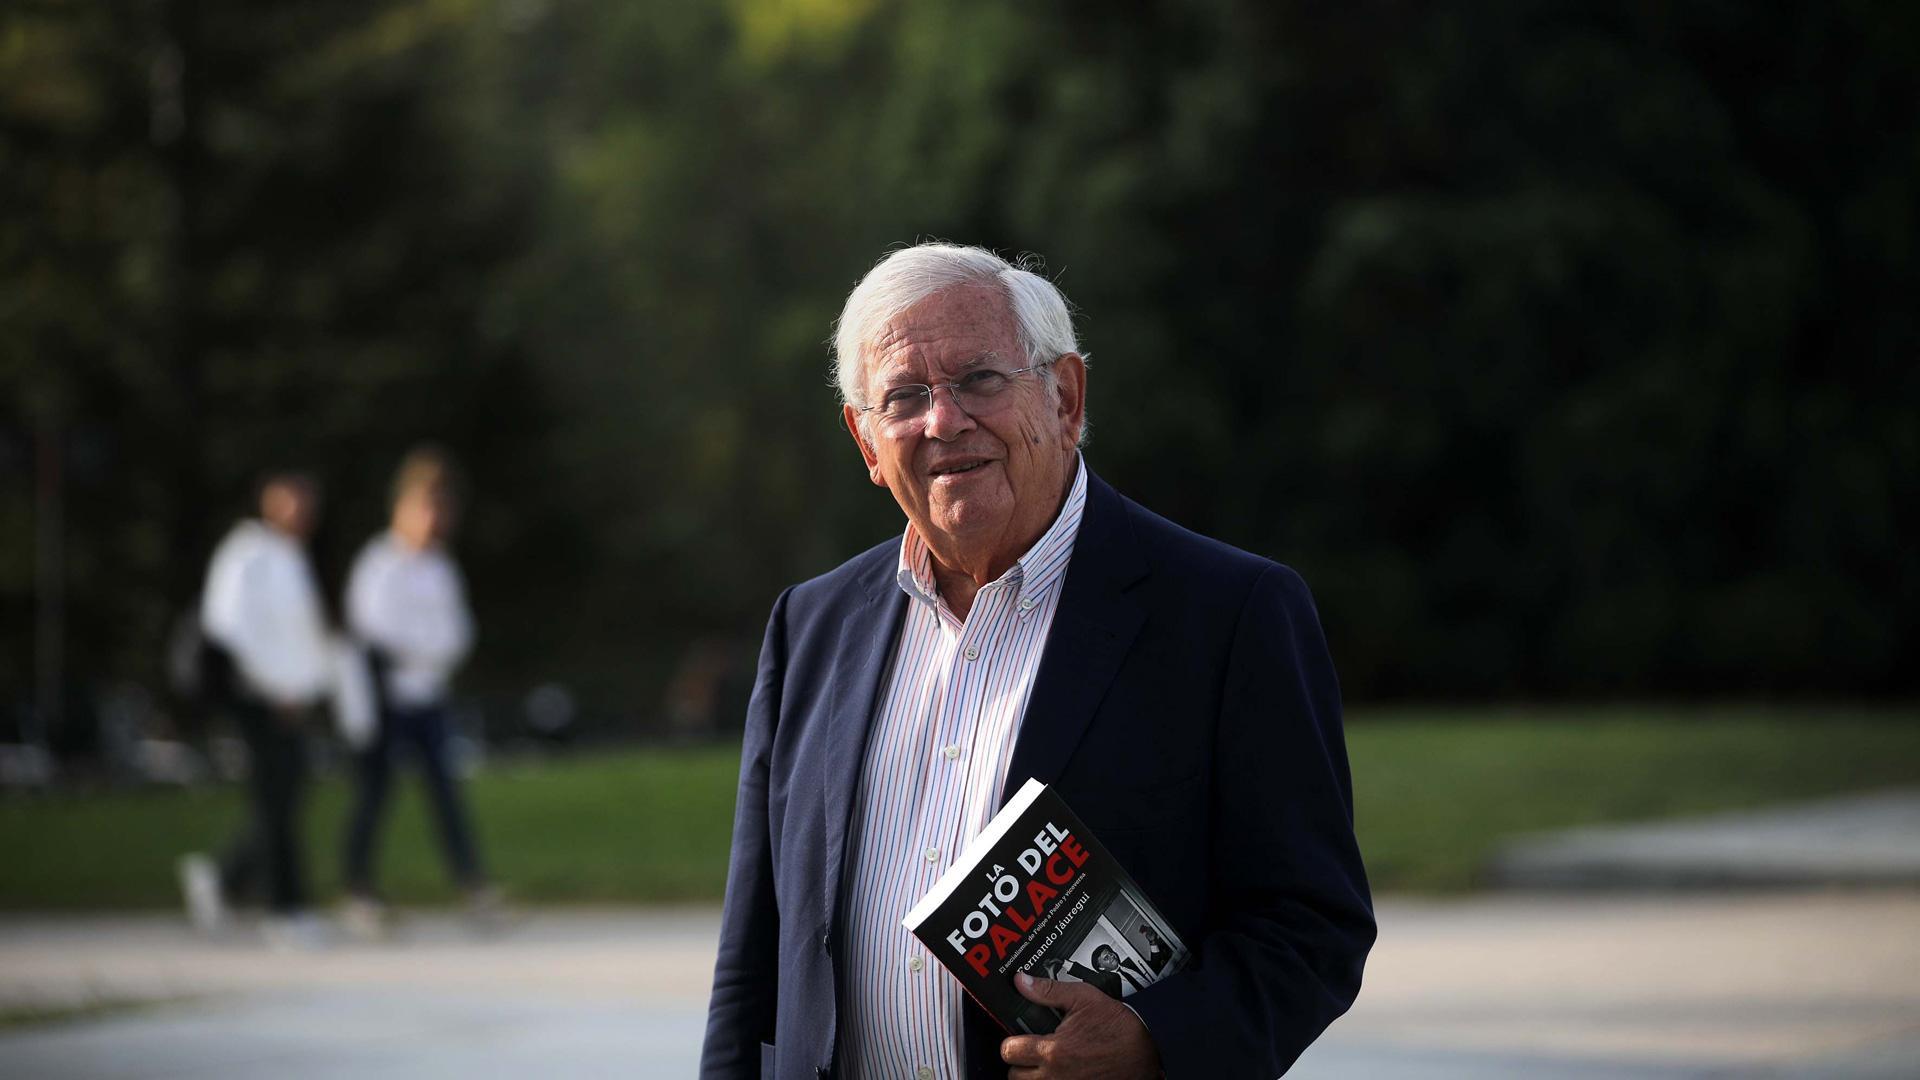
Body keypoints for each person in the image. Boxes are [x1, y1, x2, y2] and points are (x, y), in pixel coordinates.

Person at [701, 244, 1375, 1079]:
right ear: (867, 441)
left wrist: (1157, 1042)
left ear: (1065, 397)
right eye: (904, 397)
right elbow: (754, 957)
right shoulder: (811, 625)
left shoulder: (1227, 614)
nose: (943, 422)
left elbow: (1313, 925)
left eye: (980, 379)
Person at [338, 446, 499, 936]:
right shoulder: (379, 564)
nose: (434, 521)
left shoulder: (440, 569)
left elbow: (456, 636)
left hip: (428, 697)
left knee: (446, 795)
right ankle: (357, 891)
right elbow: (377, 633)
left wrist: (424, 649)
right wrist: (423, 647)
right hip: (385, 702)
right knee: (374, 795)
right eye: (425, 508)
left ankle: (474, 888)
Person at [178, 471, 334, 949]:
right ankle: (284, 909)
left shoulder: (293, 559)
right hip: (256, 696)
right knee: (274, 801)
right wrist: (274, 688)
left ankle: (221, 880)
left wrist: (306, 688)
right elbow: (230, 626)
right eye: (291, 501)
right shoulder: (248, 553)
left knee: (286, 798)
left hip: (289, 699)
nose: (300, 512)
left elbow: (304, 637)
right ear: (270, 502)